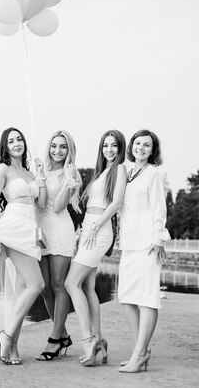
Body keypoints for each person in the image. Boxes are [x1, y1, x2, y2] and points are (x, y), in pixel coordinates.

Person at [0, 127, 46, 365]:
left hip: (30, 227)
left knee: (22, 291)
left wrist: (42, 177)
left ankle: (12, 347)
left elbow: (42, 203)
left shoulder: (29, 171)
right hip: (14, 226)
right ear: (5, 147)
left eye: (19, 139)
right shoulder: (3, 168)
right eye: (11, 141)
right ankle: (5, 336)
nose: (17, 143)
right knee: (37, 284)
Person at [64, 130, 127, 366]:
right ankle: (99, 338)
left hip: (99, 231)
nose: (109, 150)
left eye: (113, 146)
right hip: (89, 229)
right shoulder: (101, 172)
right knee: (88, 288)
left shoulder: (119, 169)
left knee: (71, 283)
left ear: (120, 148)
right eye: (105, 146)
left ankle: (88, 339)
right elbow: (91, 204)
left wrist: (94, 227)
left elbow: (116, 203)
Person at [117, 129, 170, 373]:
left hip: (148, 244)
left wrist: (159, 240)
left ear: (152, 150)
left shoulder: (154, 174)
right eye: (137, 143)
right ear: (132, 147)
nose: (141, 148)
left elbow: (159, 209)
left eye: (146, 145)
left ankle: (138, 355)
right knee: (126, 297)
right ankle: (142, 349)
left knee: (148, 298)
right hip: (128, 244)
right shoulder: (127, 172)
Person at [34, 130, 82, 361]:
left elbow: (59, 206)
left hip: (61, 230)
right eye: (54, 145)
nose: (57, 150)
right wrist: (38, 176)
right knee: (44, 286)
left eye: (63, 147)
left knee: (58, 284)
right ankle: (63, 334)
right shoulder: (41, 169)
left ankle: (54, 339)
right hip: (40, 231)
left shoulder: (72, 174)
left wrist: (69, 179)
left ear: (69, 150)